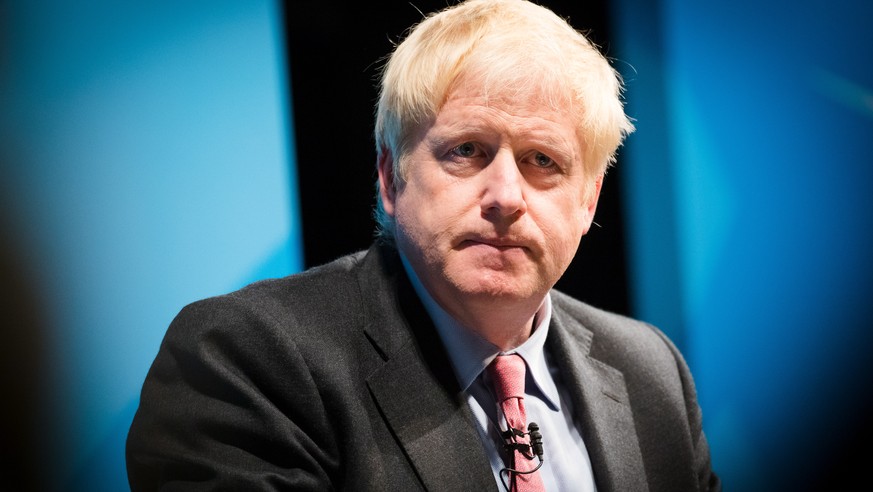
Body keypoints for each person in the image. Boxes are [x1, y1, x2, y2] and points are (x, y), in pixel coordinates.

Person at [127, 0, 720, 490]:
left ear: (588, 201)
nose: (506, 196)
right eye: (466, 151)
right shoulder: (245, 361)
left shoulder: (650, 371)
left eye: (543, 161)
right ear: (389, 177)